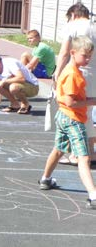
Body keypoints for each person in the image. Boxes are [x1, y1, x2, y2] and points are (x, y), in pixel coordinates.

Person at [38, 36, 96, 209]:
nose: (88, 59)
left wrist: (89, 99)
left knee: (58, 149)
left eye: (90, 56)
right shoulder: (72, 74)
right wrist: (92, 102)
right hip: (72, 119)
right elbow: (71, 102)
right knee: (84, 158)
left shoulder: (73, 71)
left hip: (64, 116)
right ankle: (93, 195)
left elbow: (69, 98)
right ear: (72, 53)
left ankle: (45, 179)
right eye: (84, 56)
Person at [52, 2, 96, 163]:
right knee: (87, 113)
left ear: (73, 15)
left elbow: (64, 52)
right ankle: (89, 151)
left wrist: (57, 74)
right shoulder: (94, 26)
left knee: (74, 113)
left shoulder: (74, 26)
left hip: (79, 74)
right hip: (94, 75)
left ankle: (78, 153)